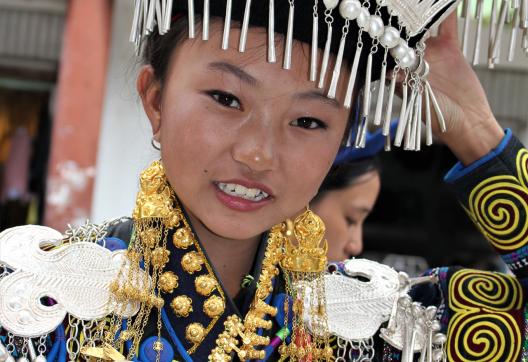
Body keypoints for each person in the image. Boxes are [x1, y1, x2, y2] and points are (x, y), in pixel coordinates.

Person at [0, 1, 524, 361]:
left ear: (341, 141)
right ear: (155, 100)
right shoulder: (29, 303)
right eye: (227, 99)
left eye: (308, 122)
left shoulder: (375, 328)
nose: (257, 153)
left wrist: (477, 132)